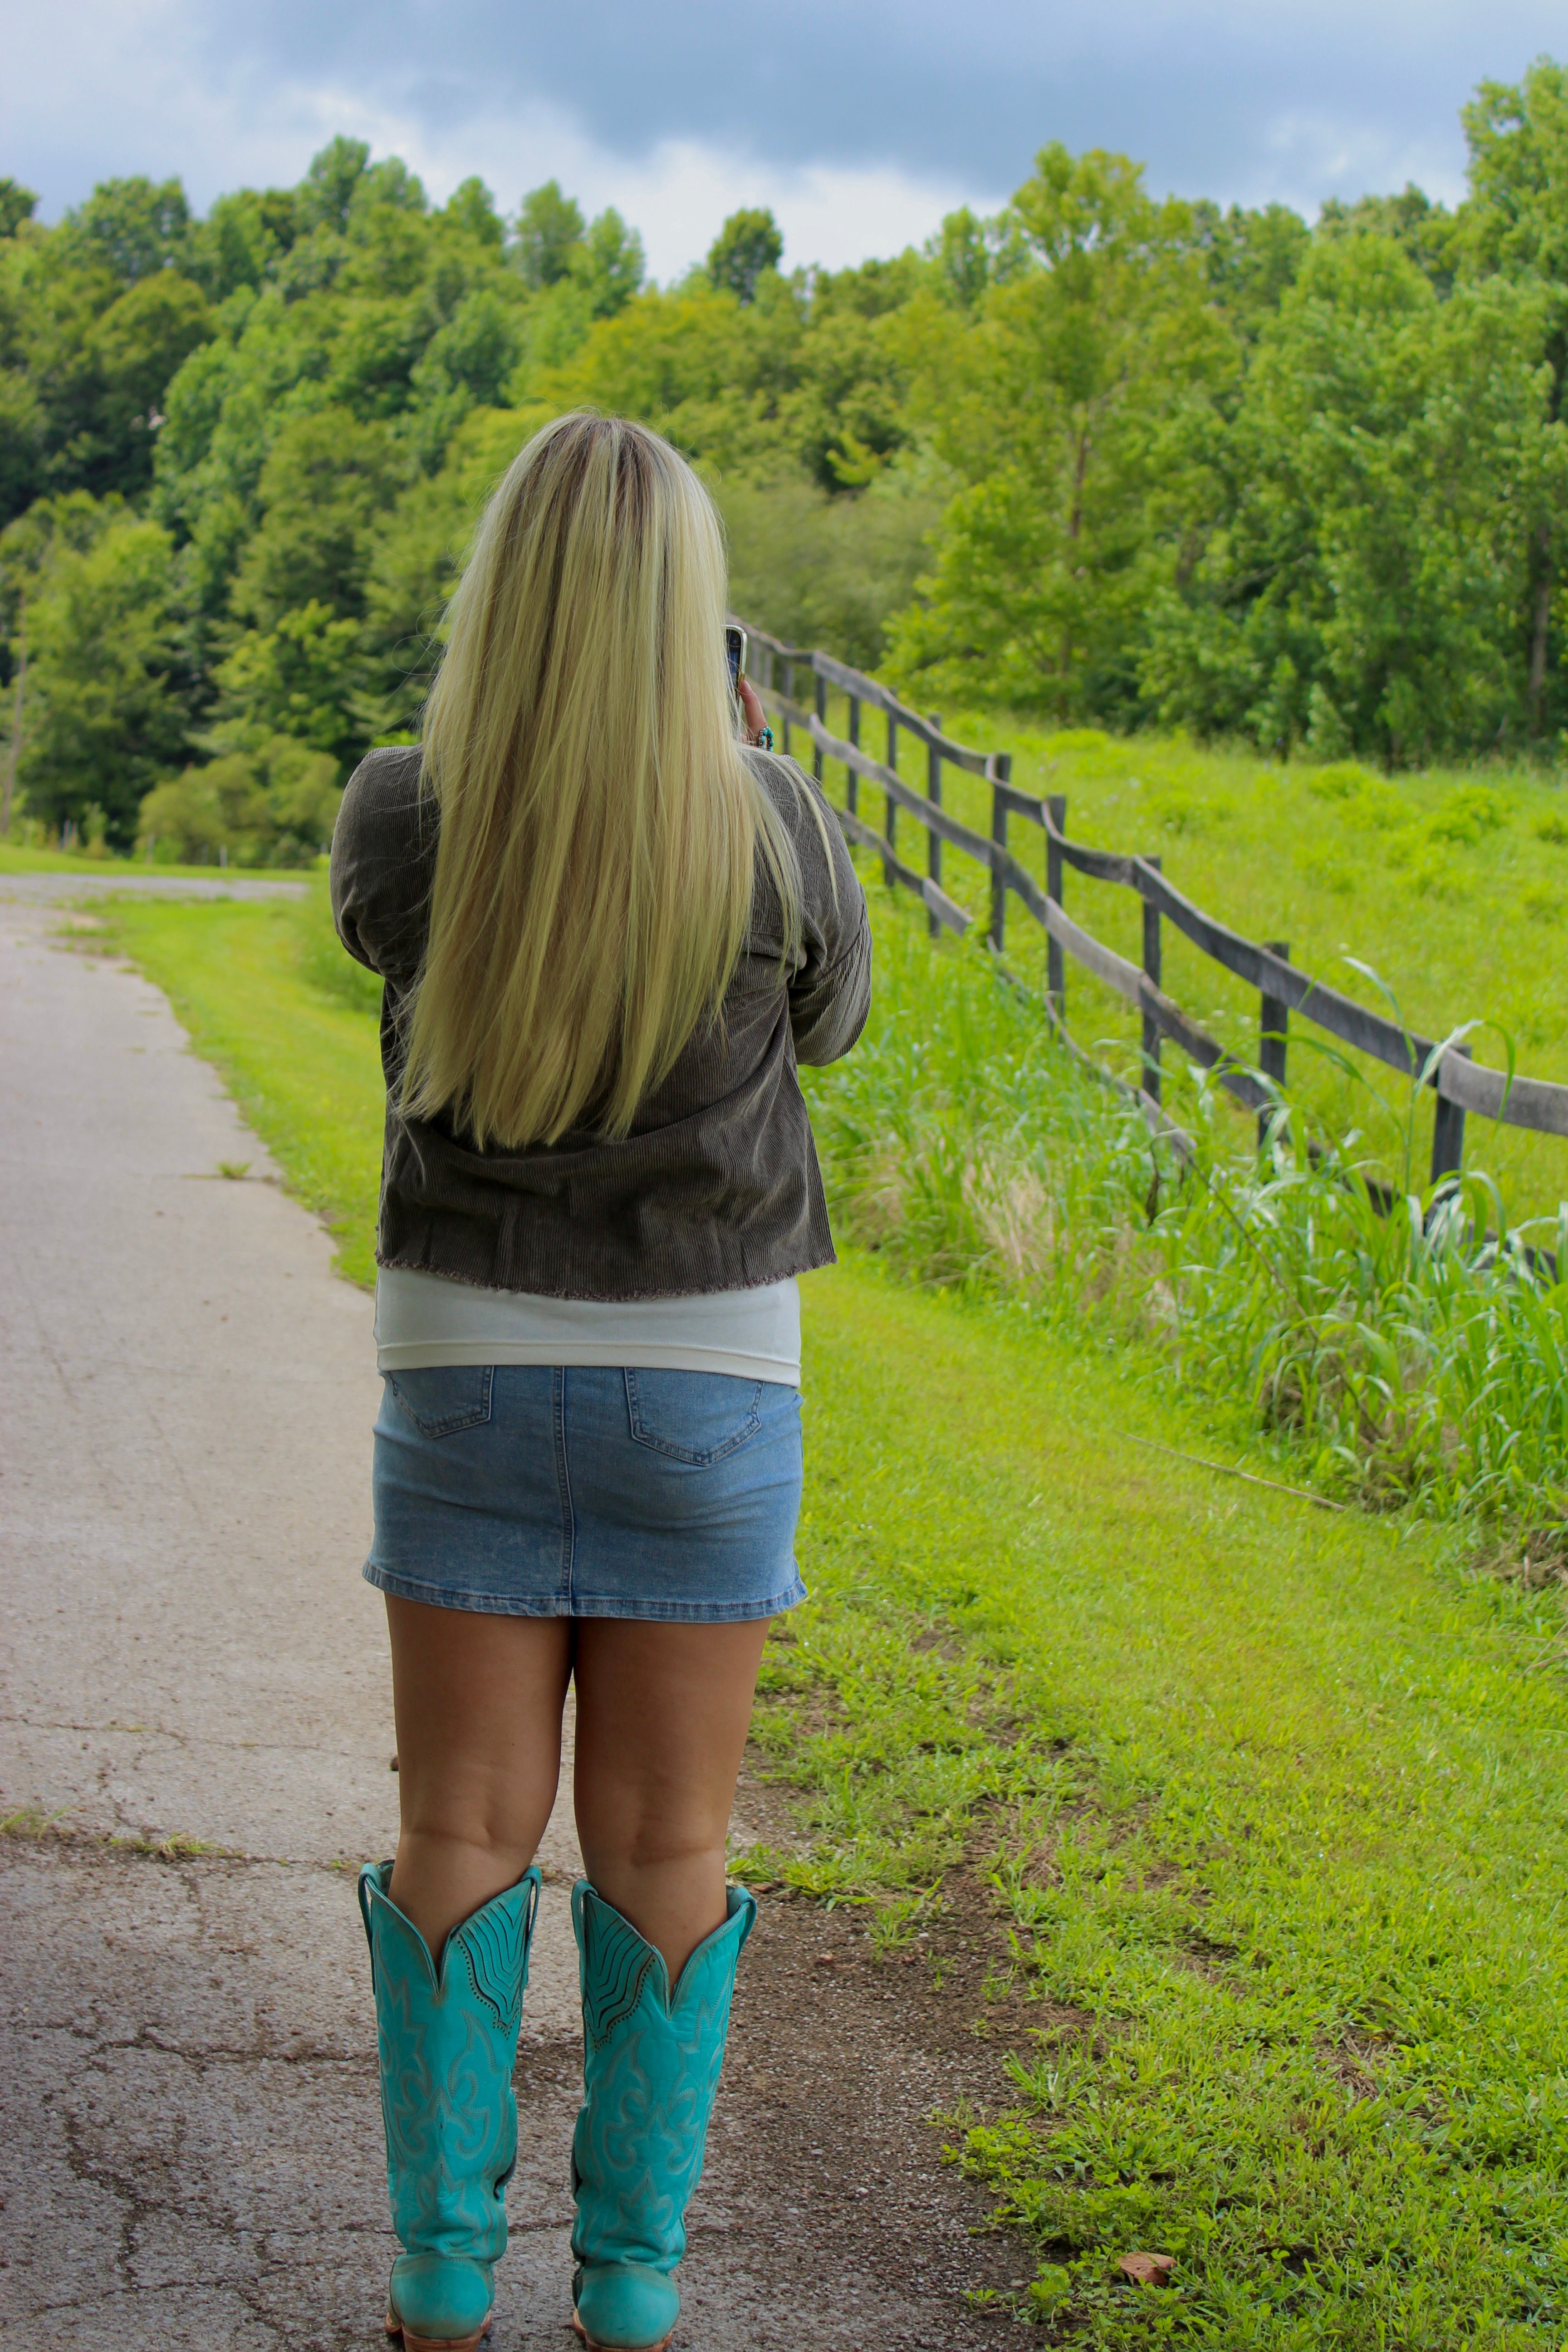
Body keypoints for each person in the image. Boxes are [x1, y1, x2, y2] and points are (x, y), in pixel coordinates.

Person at [329, 411, 870, 2352]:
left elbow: (378, 949)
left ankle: (438, 2276)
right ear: (693, 620)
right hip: (713, 1383)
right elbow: (840, 1020)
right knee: (667, 1837)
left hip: (463, 1361)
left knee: (461, 1821)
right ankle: (632, 2289)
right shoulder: (775, 820)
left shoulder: (408, 808)